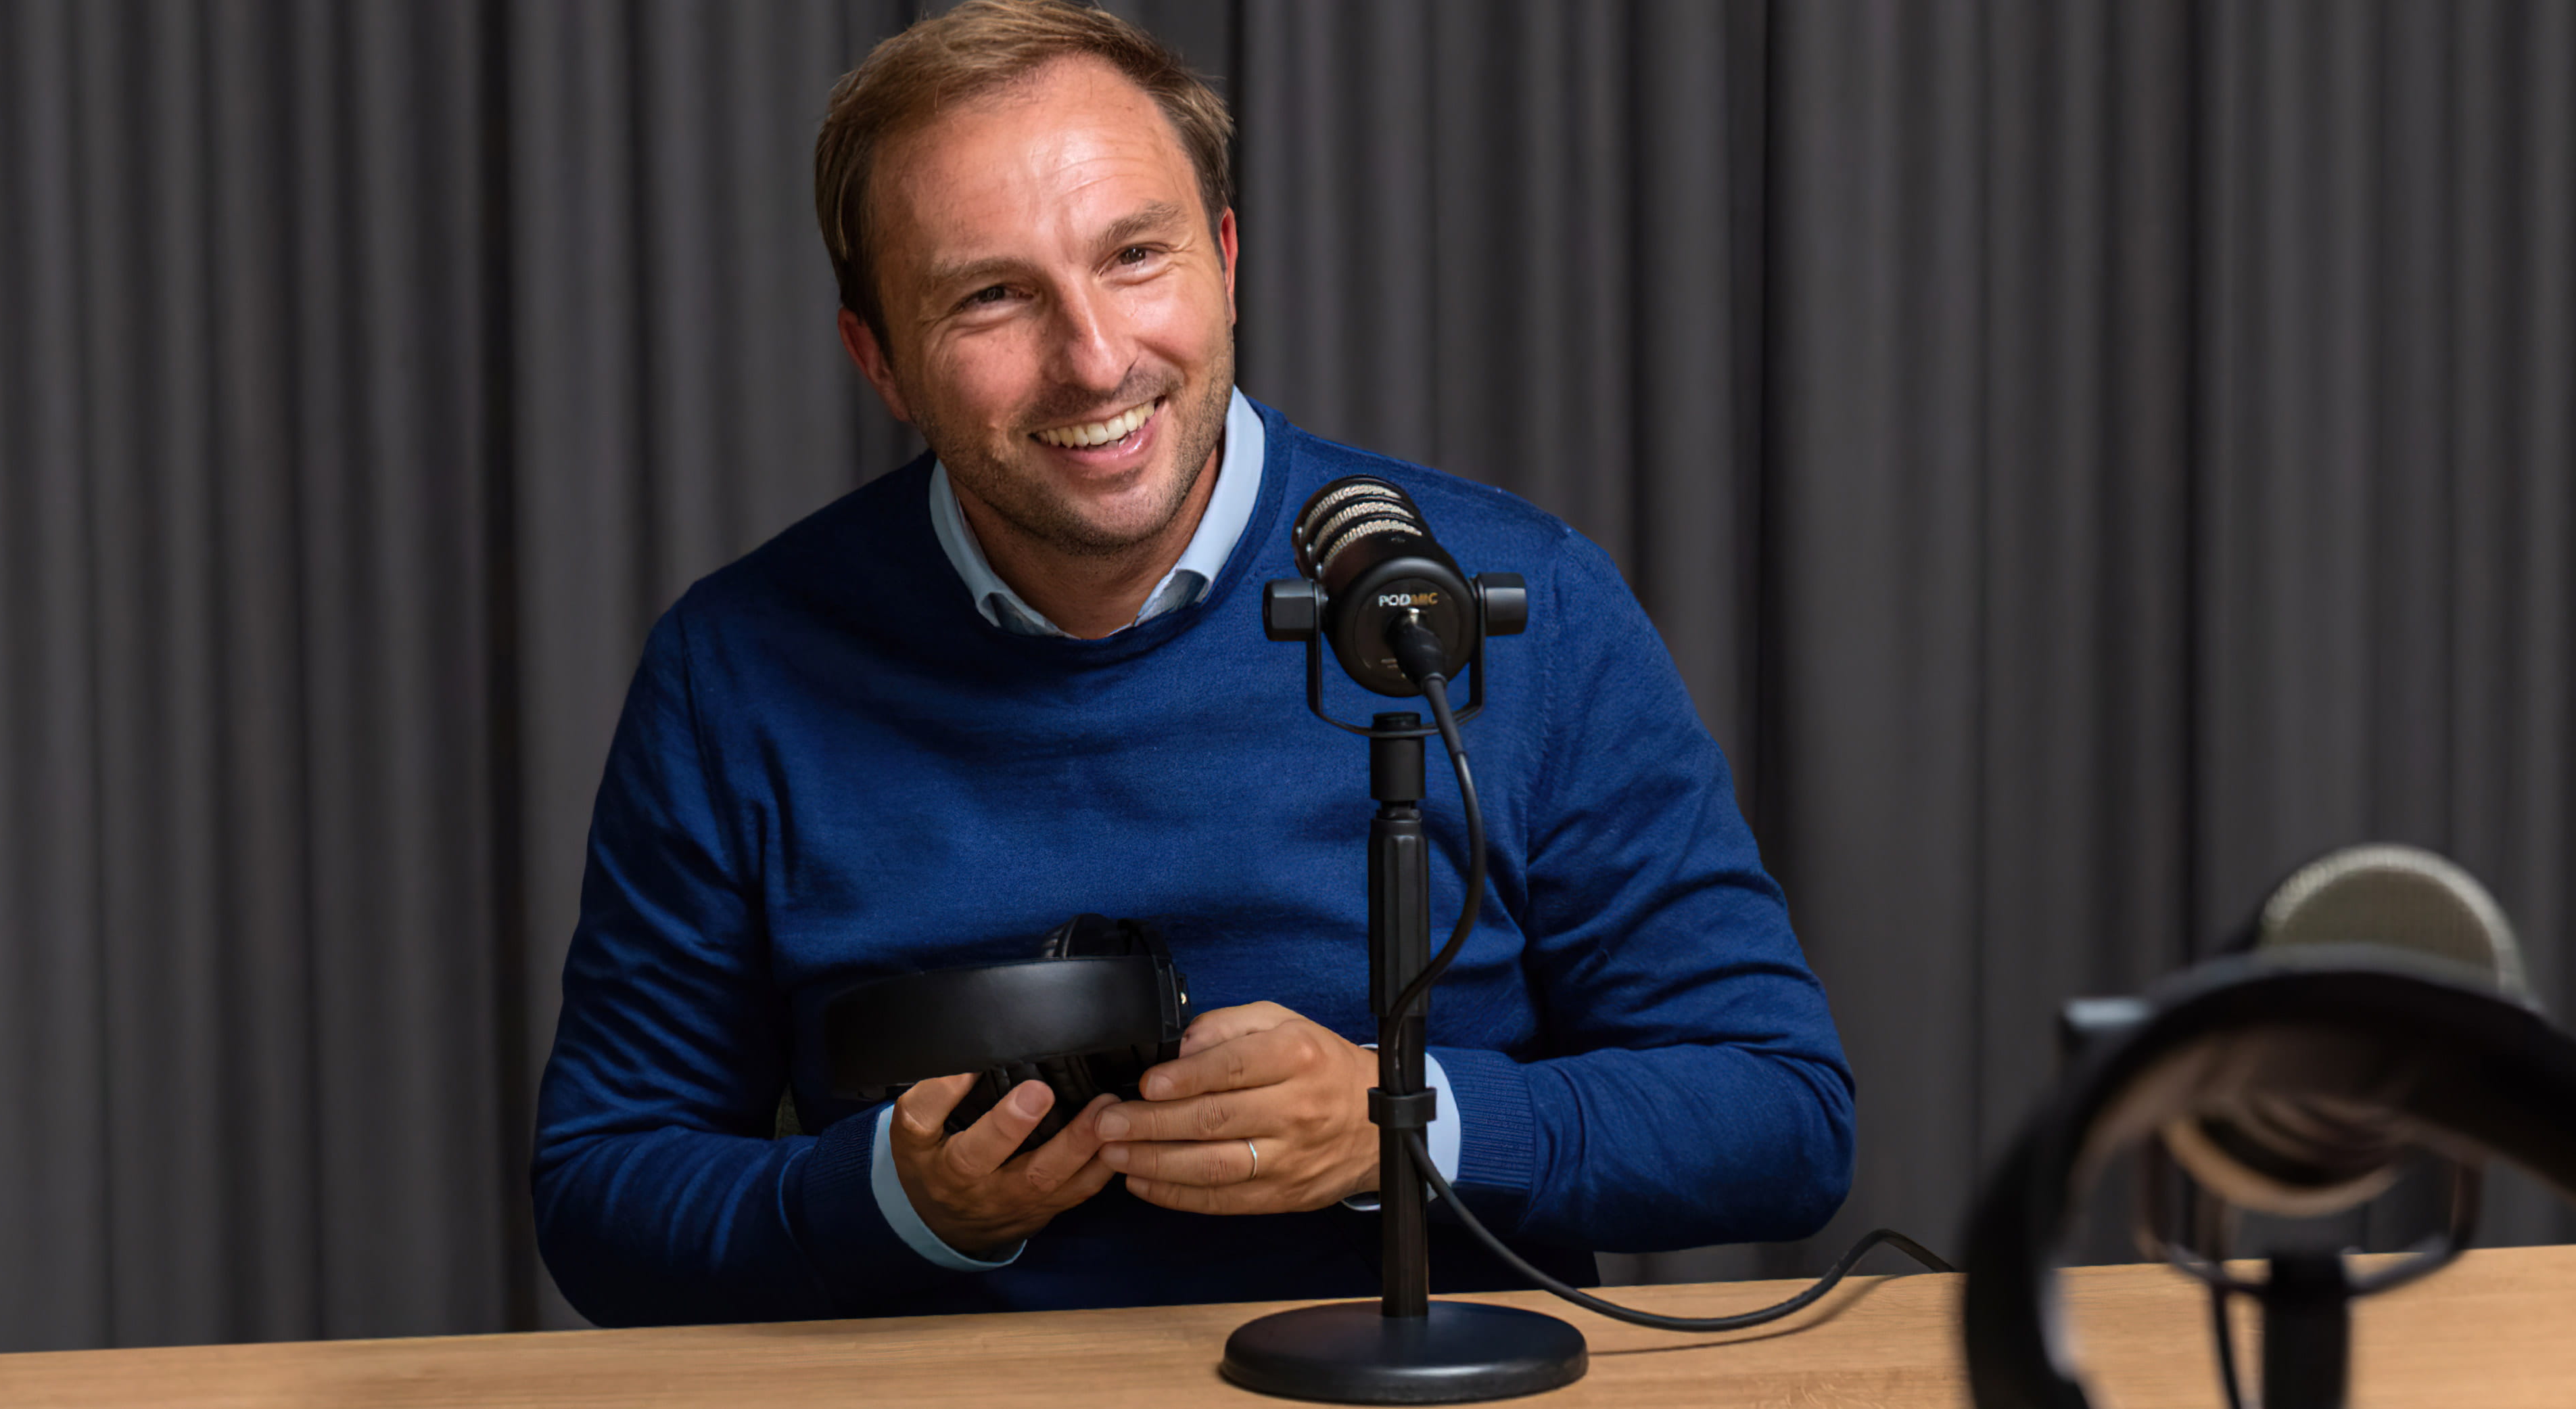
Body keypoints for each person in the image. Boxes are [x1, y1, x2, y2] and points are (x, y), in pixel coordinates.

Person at [531, 0, 1852, 1325]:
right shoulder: (735, 668)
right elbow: (599, 1193)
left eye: (1134, 256)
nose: (1095, 359)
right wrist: (893, 1202)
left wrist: (1400, 1121)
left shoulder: (1519, 601)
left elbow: (1781, 1117)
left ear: (1224, 259)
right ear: (879, 360)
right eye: (991, 296)